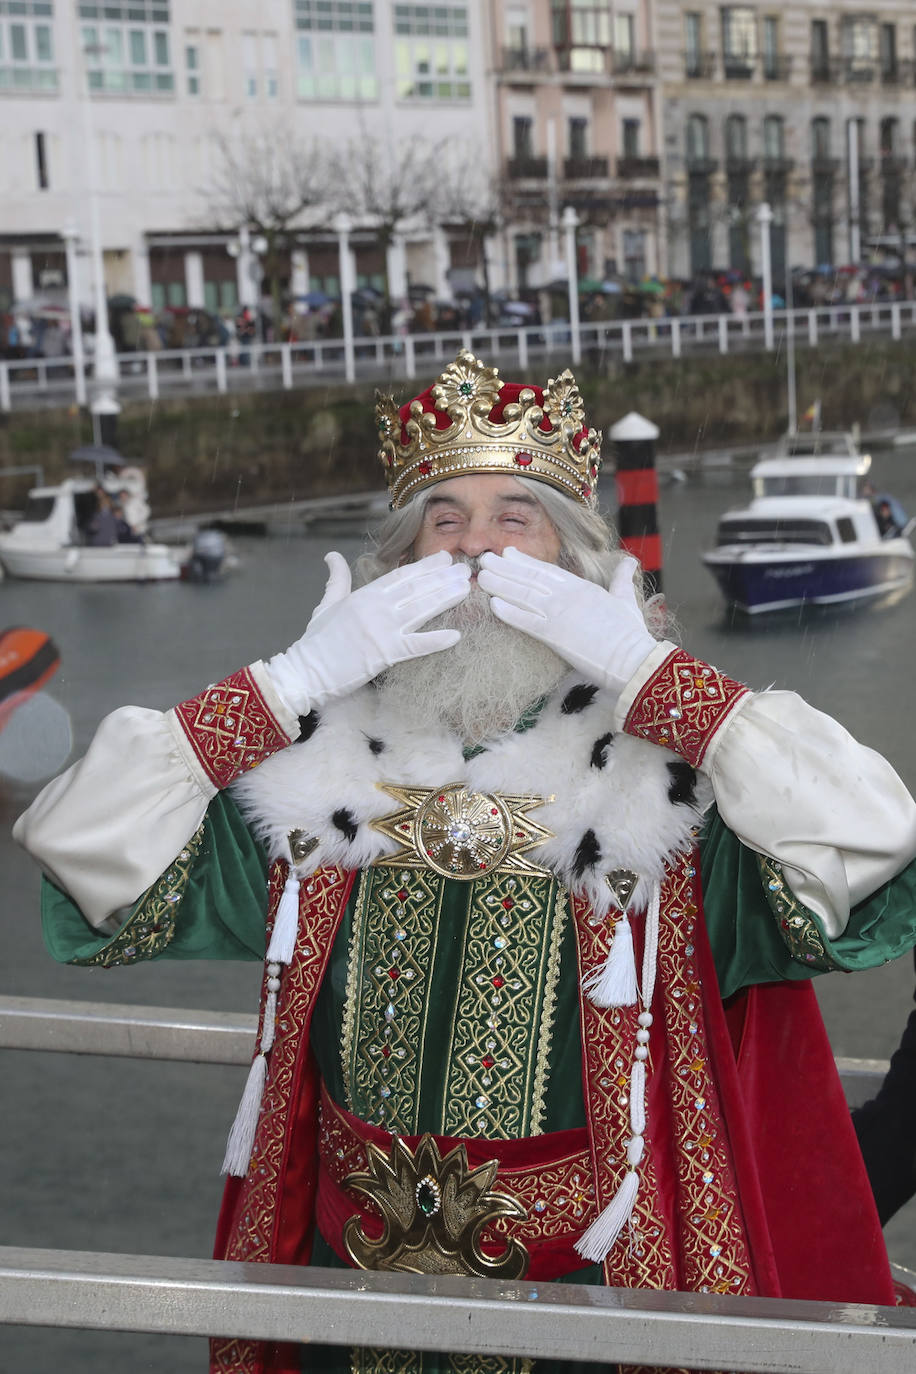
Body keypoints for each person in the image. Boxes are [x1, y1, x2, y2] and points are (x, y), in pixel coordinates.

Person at [14, 348, 916, 1374]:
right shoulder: (311, 788)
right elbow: (79, 839)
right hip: (344, 1286)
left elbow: (870, 837)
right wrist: (288, 683)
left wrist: (648, 673)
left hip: (596, 1293)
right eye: (443, 520)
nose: (476, 550)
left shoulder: (670, 796)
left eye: (513, 518)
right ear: (398, 567)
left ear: (576, 567)